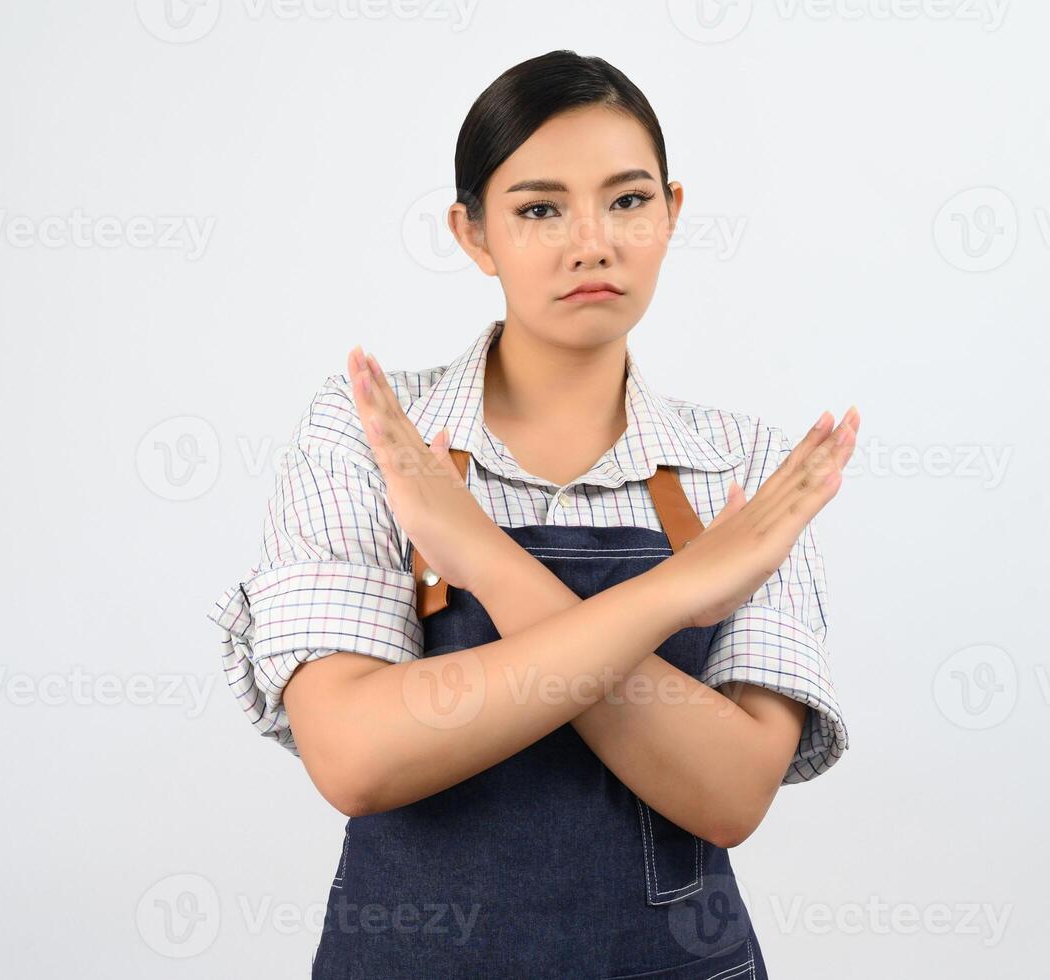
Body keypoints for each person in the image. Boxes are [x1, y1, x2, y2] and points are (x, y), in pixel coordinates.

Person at [208, 49, 860, 980]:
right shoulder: (376, 434)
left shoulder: (744, 466)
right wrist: (681, 589)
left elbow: (728, 793)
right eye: (539, 209)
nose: (590, 241)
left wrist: (484, 559)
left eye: (628, 201)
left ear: (672, 214)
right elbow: (355, 758)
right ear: (473, 234)